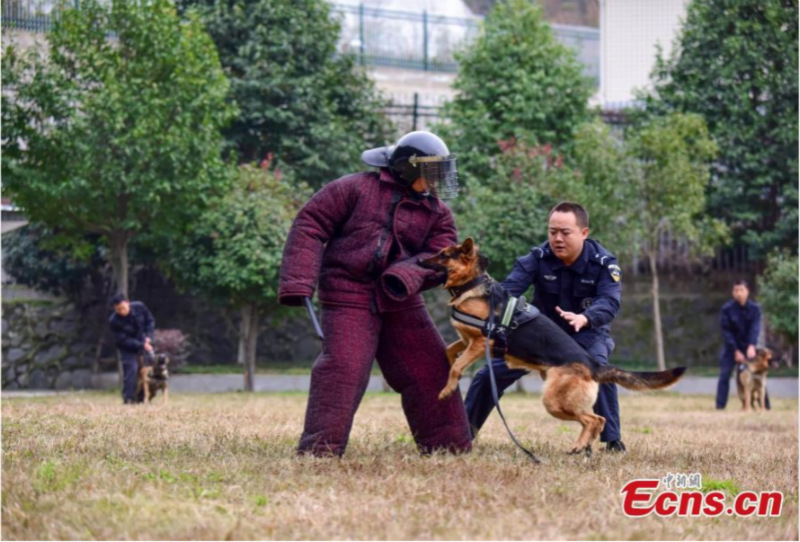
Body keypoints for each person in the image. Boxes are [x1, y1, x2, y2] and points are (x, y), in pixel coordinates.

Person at [278, 131, 473, 457]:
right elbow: (310, 224)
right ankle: (319, 453)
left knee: (431, 369)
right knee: (344, 370)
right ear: (409, 169)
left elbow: (443, 256)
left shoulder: (438, 214)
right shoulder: (354, 188)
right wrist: (298, 282)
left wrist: (404, 275)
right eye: (432, 173)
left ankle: (449, 449)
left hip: (400, 298)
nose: (439, 181)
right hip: (346, 293)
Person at [464, 201, 627, 452]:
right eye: (552, 232)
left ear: (584, 233)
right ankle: (463, 434)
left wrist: (585, 317)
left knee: (597, 369)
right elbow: (509, 290)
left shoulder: (604, 263)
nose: (557, 239)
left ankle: (613, 440)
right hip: (540, 336)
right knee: (488, 375)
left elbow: (610, 301)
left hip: (586, 334)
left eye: (565, 232)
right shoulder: (537, 257)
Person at [716, 279, 770, 410]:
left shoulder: (755, 309)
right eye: (736, 290)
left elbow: (755, 328)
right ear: (732, 292)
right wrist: (735, 350)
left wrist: (751, 345)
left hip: (750, 347)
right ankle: (720, 406)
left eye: (741, 290)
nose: (739, 293)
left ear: (747, 291)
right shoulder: (727, 309)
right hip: (731, 347)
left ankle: (766, 406)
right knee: (724, 375)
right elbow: (726, 331)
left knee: (759, 374)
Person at [108, 293, 155, 404]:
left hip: (143, 341)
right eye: (118, 310)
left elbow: (150, 321)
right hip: (127, 347)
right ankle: (129, 398)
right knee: (131, 369)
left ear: (128, 302)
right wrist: (141, 344)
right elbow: (123, 340)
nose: (121, 312)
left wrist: (148, 337)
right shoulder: (114, 321)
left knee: (149, 370)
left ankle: (144, 397)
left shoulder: (140, 307)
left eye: (123, 308)